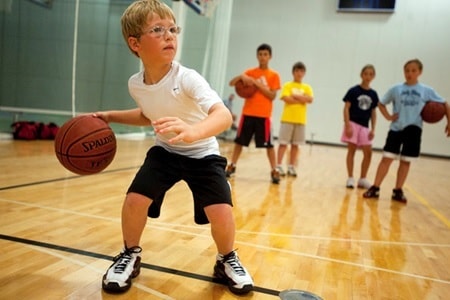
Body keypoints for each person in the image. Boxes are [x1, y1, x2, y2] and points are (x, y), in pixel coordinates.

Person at [96, 0, 253, 295]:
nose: (169, 35)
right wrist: (109, 116)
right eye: (158, 30)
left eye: (172, 29)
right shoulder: (136, 84)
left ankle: (226, 258)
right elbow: (148, 114)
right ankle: (130, 253)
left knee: (221, 212)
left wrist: (194, 131)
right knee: (134, 200)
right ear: (135, 43)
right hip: (166, 153)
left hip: (203, 154)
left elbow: (223, 115)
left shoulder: (188, 78)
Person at [363, 59, 450, 203]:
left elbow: (445, 104)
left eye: (413, 70)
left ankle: (398, 190)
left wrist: (449, 122)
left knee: (405, 161)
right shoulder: (396, 89)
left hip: (414, 129)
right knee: (387, 159)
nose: (409, 73)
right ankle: (375, 187)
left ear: (420, 72)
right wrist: (388, 116)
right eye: (407, 70)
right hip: (396, 128)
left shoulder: (426, 90)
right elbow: (381, 103)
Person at [225, 43, 281, 184]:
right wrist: (241, 76)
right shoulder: (250, 72)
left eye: (265, 54)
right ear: (257, 56)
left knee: (269, 145)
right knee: (239, 142)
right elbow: (231, 83)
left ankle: (274, 170)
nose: (263, 57)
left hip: (264, 116)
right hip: (248, 113)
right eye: (260, 54)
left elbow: (272, 95)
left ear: (270, 57)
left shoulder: (274, 75)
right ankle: (232, 165)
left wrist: (256, 83)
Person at [341, 64, 379, 189]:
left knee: (368, 153)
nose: (368, 76)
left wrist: (373, 129)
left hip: (365, 127)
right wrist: (347, 125)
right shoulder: (353, 91)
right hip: (352, 123)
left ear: (373, 76)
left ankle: (362, 179)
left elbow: (373, 112)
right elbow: (346, 108)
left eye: (371, 74)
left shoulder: (373, 94)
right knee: (351, 151)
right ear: (361, 74)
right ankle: (350, 177)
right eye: (366, 73)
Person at [276, 61, 314, 177]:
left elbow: (310, 99)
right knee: (283, 143)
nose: (299, 73)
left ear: (304, 73)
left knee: (295, 145)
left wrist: (296, 96)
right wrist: (302, 99)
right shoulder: (288, 85)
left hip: (300, 120)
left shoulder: (307, 87)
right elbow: (286, 98)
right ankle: (278, 165)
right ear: (293, 72)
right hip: (287, 118)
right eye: (297, 71)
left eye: (301, 71)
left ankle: (291, 166)